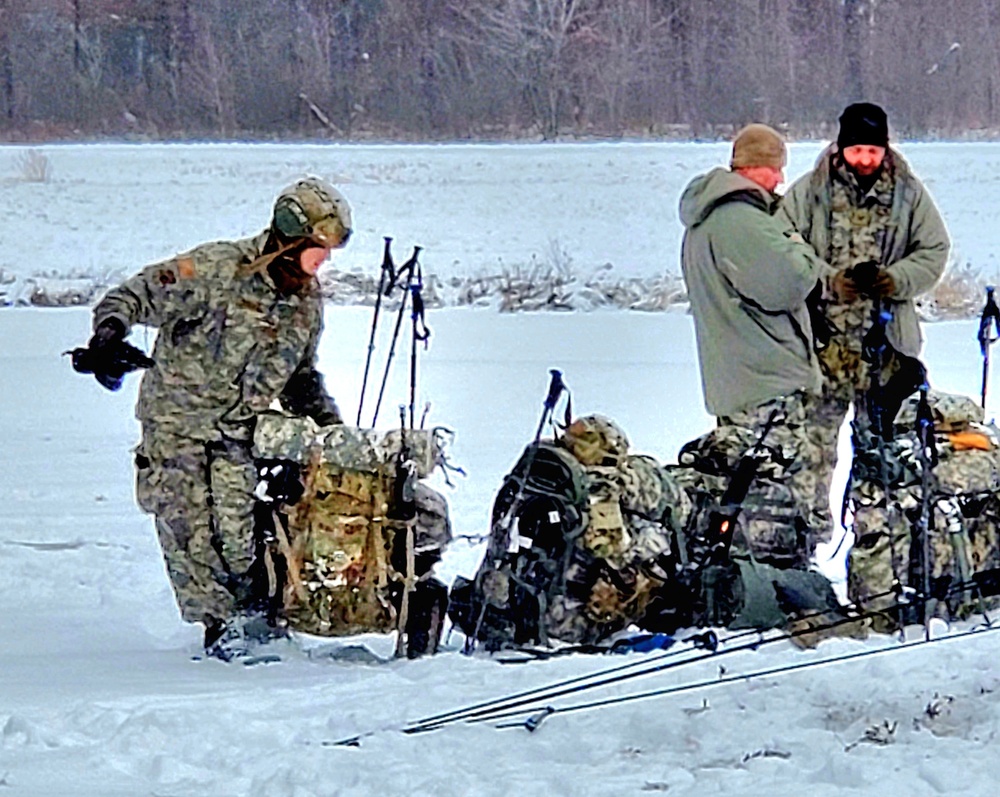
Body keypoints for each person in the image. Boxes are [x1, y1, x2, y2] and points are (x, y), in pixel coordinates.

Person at [77, 177, 353, 659]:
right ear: (289, 241)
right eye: (316, 251)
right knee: (191, 534)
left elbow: (299, 375)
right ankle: (219, 627)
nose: (321, 263)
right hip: (176, 429)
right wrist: (109, 334)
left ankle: (256, 619)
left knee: (237, 533)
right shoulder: (215, 270)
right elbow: (134, 295)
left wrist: (331, 433)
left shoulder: (306, 303)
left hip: (235, 433)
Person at [778, 103, 949, 545]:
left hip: (886, 350)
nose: (865, 159)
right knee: (813, 452)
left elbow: (933, 250)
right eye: (857, 150)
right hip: (823, 348)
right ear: (841, 148)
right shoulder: (810, 191)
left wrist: (895, 280)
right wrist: (828, 281)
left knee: (882, 454)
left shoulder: (909, 194)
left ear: (885, 148)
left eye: (873, 150)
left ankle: (877, 549)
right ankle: (809, 547)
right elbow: (781, 245)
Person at [678, 123, 831, 569]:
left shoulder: (709, 217)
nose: (781, 181)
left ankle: (749, 577)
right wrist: (800, 250)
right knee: (779, 489)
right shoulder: (740, 220)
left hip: (737, 376)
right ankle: (784, 581)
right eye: (776, 170)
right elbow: (785, 284)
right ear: (757, 168)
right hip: (767, 381)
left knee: (744, 485)